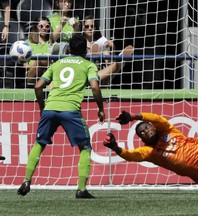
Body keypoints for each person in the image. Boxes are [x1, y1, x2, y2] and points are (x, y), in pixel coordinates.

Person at [17, 34, 105, 199]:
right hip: (70, 110)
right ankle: (81, 189)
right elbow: (94, 87)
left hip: (50, 107)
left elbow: (38, 87)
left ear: (69, 49)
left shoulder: (57, 63)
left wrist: (43, 107)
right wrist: (100, 108)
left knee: (39, 143)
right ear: (85, 50)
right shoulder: (89, 65)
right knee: (85, 147)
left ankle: (26, 180)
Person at [82, 15, 134, 84]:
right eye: (87, 26)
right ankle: (119, 60)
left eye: (92, 26)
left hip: (100, 74)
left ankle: (120, 60)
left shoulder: (101, 42)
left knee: (114, 65)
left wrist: (113, 47)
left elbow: (108, 63)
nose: (90, 28)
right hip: (86, 73)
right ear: (83, 28)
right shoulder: (80, 42)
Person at [25, 17, 54, 87]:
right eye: (41, 26)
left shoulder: (52, 45)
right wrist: (36, 64)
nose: (44, 28)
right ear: (36, 28)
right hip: (33, 76)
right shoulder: (27, 43)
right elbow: (24, 65)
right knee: (40, 60)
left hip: (49, 74)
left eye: (47, 26)